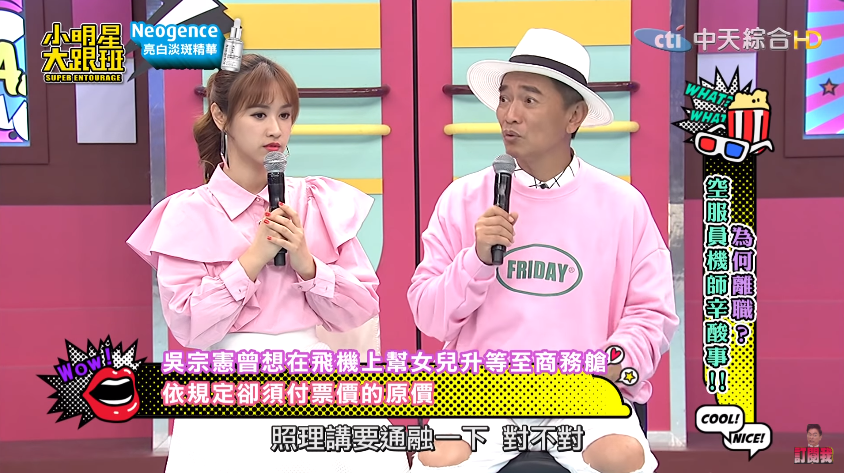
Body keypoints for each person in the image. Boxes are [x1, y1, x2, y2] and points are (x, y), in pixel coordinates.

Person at [407, 29, 679, 473]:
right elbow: (428, 314)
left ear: (573, 116)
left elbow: (652, 313)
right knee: (438, 460)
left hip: (583, 389)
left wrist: (615, 361)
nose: (509, 114)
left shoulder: (622, 204)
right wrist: (476, 260)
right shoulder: (462, 198)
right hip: (481, 391)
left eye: (529, 100)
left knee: (623, 459)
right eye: (505, 98)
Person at [127, 54, 409, 473]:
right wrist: (251, 260)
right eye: (259, 114)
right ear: (221, 116)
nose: (275, 129)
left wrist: (308, 264)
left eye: (285, 115)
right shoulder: (188, 213)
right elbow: (189, 326)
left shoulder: (316, 201)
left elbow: (361, 308)